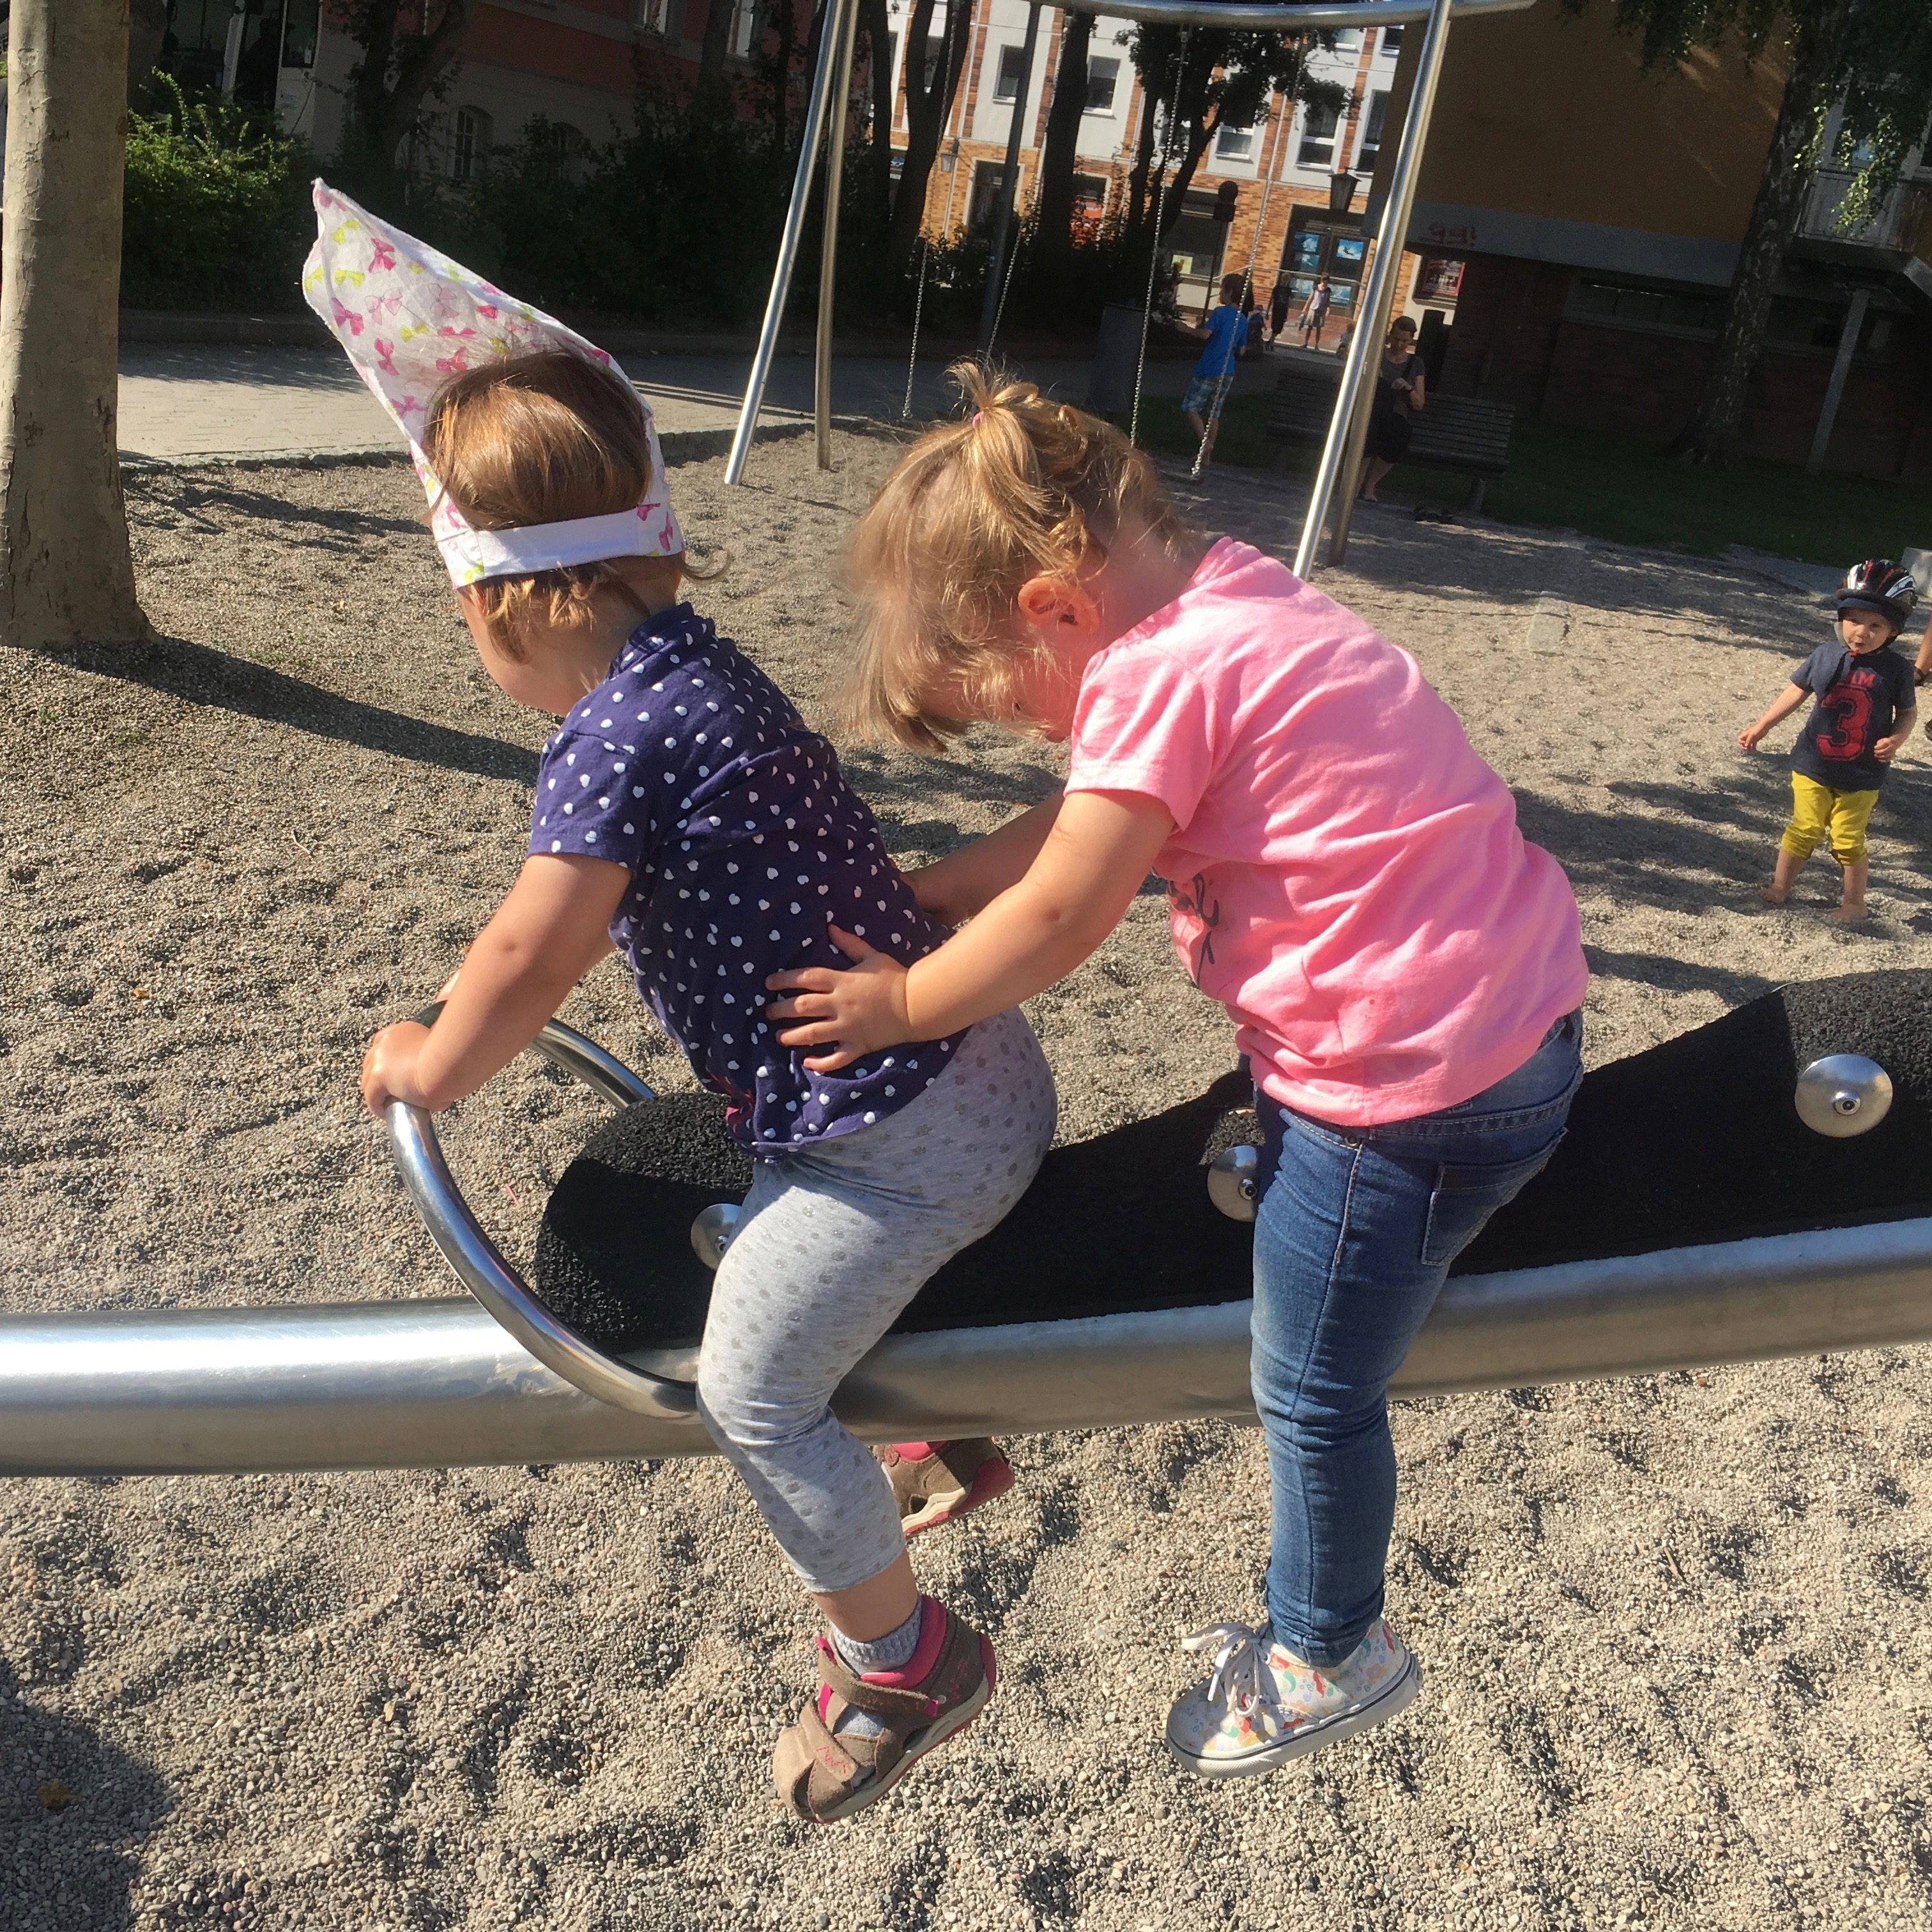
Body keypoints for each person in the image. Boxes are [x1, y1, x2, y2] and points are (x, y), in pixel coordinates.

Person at [316, 198, 1056, 1825]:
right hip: (964, 1071)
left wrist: (430, 1062)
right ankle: (942, 1448)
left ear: (499, 610)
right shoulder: (704, 671)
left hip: (904, 1147)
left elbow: (532, 950)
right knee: (754, 1240)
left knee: (754, 1388)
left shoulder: (609, 745)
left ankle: (905, 1661)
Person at [765, 367, 1588, 1780]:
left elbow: (1068, 913)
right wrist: (939, 888)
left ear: (1053, 609)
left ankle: (1330, 1645)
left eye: (1010, 694)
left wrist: (903, 998)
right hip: (1515, 1019)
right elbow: (1067, 832)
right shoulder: (1232, 597)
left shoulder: (1152, 673)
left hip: (1405, 1096)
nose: (1037, 725)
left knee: (1315, 1383)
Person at [1738, 559, 1919, 925]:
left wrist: (1897, 739)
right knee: (1803, 827)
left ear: (1893, 631)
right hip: (1813, 764)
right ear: (1840, 619)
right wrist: (1763, 725)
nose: (1861, 632)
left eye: (1875, 626)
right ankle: (1780, 886)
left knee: (1847, 839)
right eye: (1854, 620)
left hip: (1862, 773)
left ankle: (1855, 903)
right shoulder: (1824, 655)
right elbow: (1795, 692)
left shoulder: (1897, 670)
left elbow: (1908, 713)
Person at [1181, 272, 1252, 468]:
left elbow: (1205, 335)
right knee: (1215, 412)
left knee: (1191, 406)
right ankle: (1207, 459)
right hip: (1228, 370)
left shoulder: (1219, 313)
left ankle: (1206, 445)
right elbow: (1242, 350)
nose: (1220, 293)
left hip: (1209, 366)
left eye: (1222, 289)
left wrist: (1184, 328)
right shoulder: (1243, 319)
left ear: (1229, 292)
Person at [1358, 314, 1427, 503]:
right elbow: (1345, 379)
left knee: (1399, 435)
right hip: (1370, 408)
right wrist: (1368, 375)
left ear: (1411, 340)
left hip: (1396, 412)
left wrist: (1409, 388)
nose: (1399, 345)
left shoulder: (1416, 364)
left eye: (1405, 341)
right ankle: (1357, 484)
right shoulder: (1376, 355)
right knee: (1366, 432)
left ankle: (1371, 484)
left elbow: (1420, 403)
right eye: (1396, 339)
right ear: (1390, 336)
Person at [1298, 274, 1333, 351]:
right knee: (1310, 327)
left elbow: (1328, 301)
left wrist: (1328, 309)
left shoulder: (1328, 290)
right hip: (1313, 308)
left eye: (1327, 280)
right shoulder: (1316, 288)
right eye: (1324, 280)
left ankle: (1316, 345)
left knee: (1319, 328)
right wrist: (1305, 309)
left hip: (1322, 310)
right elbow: (1311, 298)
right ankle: (1306, 343)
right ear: (1322, 280)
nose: (1325, 282)